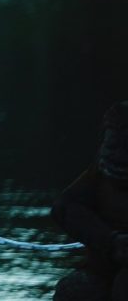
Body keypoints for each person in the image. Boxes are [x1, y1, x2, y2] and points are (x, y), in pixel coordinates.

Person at [51, 101, 128, 301]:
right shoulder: (99, 172)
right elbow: (64, 208)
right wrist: (110, 241)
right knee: (76, 289)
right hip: (105, 263)